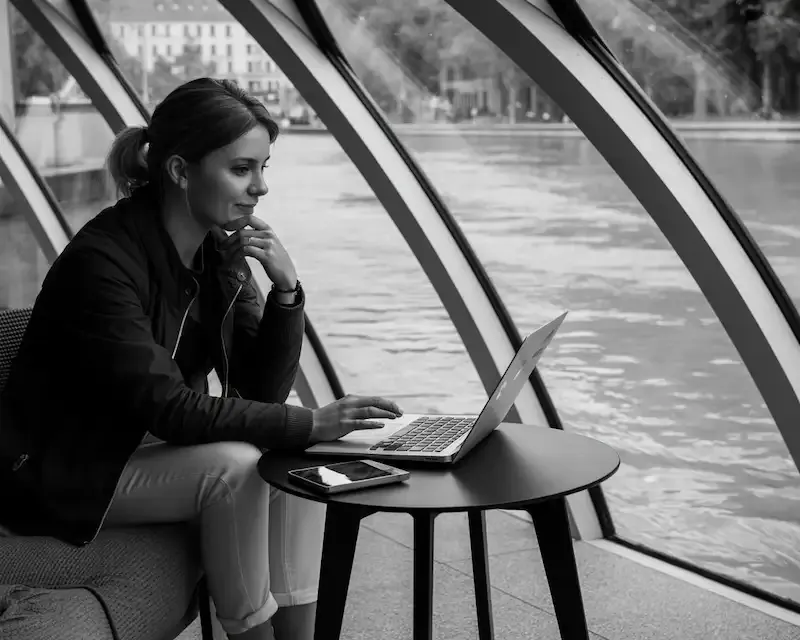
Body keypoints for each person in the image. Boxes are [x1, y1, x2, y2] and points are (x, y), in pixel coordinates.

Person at [0, 77, 403, 640]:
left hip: (143, 453)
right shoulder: (102, 261)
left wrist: (287, 291)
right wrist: (310, 419)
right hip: (66, 472)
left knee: (296, 463)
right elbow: (169, 408)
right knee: (233, 470)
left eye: (264, 168)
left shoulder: (219, 252)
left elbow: (261, 389)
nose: (259, 187)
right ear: (181, 172)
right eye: (242, 169)